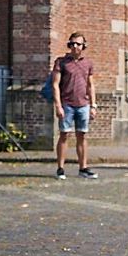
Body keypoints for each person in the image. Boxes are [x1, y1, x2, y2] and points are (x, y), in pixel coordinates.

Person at [52, 32, 98, 180]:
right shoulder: (61, 62)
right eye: (72, 43)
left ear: (84, 46)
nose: (75, 46)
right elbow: (55, 85)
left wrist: (93, 105)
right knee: (64, 135)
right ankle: (60, 168)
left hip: (83, 104)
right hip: (67, 104)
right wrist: (58, 105)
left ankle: (83, 168)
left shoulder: (88, 63)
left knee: (82, 135)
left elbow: (91, 85)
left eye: (78, 44)